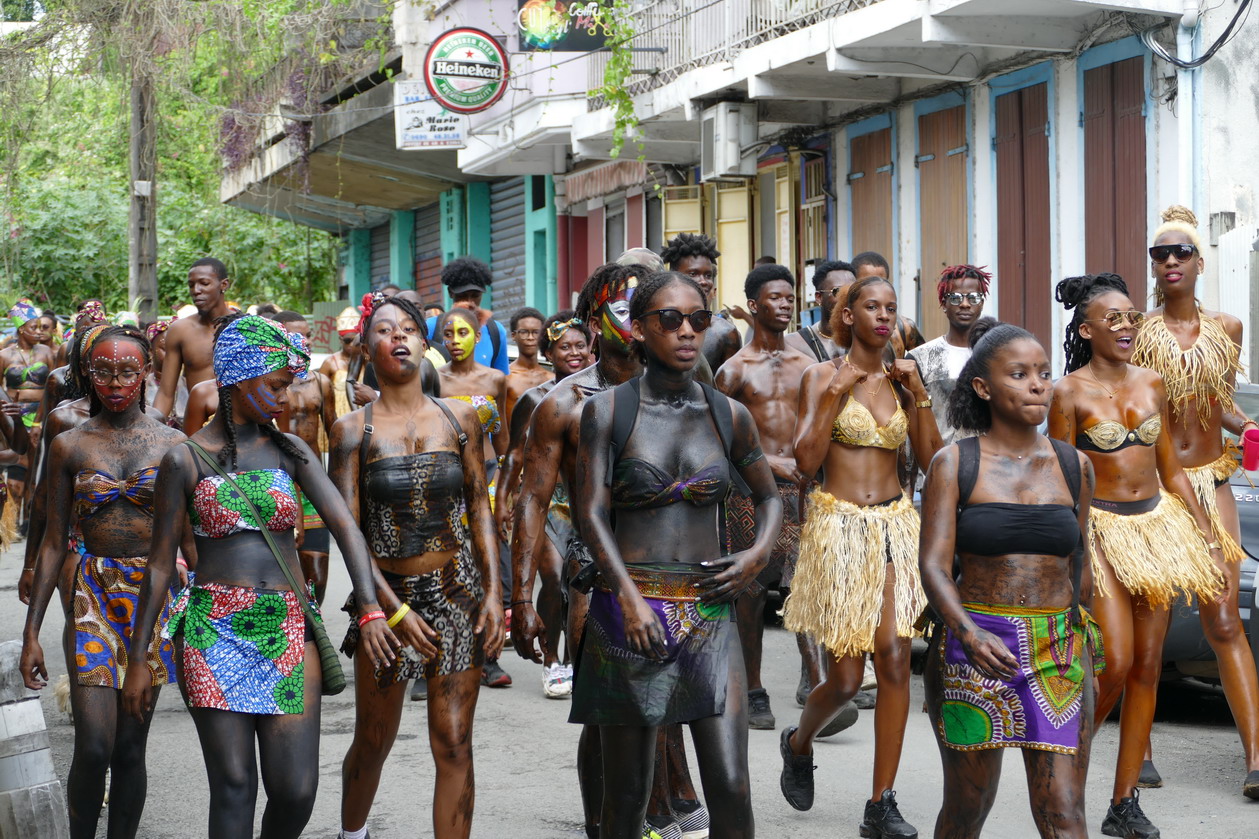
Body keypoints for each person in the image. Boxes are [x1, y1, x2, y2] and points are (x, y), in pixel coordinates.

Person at [121, 314, 399, 839]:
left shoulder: (290, 450)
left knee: (295, 792)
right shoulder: (184, 459)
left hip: (286, 626)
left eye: (288, 385)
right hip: (212, 628)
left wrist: (369, 608)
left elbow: (345, 527)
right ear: (236, 379)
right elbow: (160, 564)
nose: (286, 398)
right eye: (274, 386)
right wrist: (139, 658)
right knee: (233, 786)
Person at [572, 269, 781, 839]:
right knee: (628, 797)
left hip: (710, 610)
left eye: (699, 319)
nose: (687, 331)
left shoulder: (727, 414)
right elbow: (590, 511)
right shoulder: (608, 411)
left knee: (733, 787)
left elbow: (769, 497)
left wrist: (757, 556)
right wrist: (629, 599)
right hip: (630, 610)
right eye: (670, 319)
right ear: (639, 329)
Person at [511, 264, 709, 839]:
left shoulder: (686, 386)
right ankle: (604, 823)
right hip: (596, 575)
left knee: (666, 705)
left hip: (676, 572)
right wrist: (523, 597)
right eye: (624, 309)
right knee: (605, 717)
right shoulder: (564, 403)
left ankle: (662, 803)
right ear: (596, 321)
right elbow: (531, 501)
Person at [1050, 273, 1226, 838]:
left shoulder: (1153, 383)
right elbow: (1061, 478)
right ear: (1086, 329)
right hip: (1099, 529)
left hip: (1156, 527)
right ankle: (1063, 763)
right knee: (1117, 663)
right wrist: (1074, 549)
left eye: (1131, 317)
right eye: (1113, 319)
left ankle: (1123, 802)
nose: (1127, 326)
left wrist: (1206, 532)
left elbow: (1171, 466)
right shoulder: (1067, 392)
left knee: (1150, 667)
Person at [919, 319, 1099, 839]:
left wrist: (1081, 640)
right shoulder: (954, 463)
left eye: (1044, 373)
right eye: (1019, 374)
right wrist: (968, 634)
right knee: (968, 808)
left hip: (1057, 650)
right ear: (983, 387)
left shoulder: (1074, 466)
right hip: (975, 645)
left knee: (1064, 813)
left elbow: (1077, 557)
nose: (1038, 384)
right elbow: (932, 564)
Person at [333, 294, 502, 839]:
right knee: (374, 738)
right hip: (385, 601)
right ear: (367, 347)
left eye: (409, 328)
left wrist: (495, 593)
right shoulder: (351, 432)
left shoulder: (461, 419)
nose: (399, 337)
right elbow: (350, 534)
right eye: (386, 330)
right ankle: (351, 833)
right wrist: (386, 610)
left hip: (458, 592)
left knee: (453, 741)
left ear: (424, 343)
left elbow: (479, 504)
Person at [778, 275, 941, 837]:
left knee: (895, 656)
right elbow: (805, 459)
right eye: (871, 307)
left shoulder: (903, 380)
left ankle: (881, 802)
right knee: (846, 680)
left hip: (896, 524)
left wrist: (917, 391)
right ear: (848, 315)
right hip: (838, 527)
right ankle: (799, 744)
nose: (883, 316)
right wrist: (834, 393)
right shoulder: (821, 375)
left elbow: (933, 459)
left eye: (891, 308)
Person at [19, 325, 187, 839]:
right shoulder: (70, 443)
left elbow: (190, 534)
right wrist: (31, 633)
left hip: (153, 596)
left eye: (127, 372)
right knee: (94, 746)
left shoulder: (174, 444)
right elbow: (51, 541)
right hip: (91, 592)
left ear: (146, 375)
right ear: (88, 374)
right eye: (104, 371)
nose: (116, 382)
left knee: (130, 746)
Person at [1130, 205, 1259, 797]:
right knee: (1149, 629)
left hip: (1211, 479)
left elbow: (1221, 405)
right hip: (1156, 485)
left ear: (1200, 262)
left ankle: (1256, 761)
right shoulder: (1137, 330)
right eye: (1161, 254)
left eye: (1182, 252)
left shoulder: (1228, 329)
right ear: (1153, 266)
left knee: (1225, 618)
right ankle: (1141, 749)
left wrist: (1248, 425)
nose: (1172, 261)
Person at [714, 264, 834, 730]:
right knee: (750, 592)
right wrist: (769, 465)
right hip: (751, 495)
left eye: (790, 297)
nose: (785, 305)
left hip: (804, 491)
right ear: (754, 304)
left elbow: (823, 430)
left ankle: (818, 686)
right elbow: (720, 444)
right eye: (775, 298)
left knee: (806, 586)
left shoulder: (810, 367)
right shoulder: (733, 371)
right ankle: (755, 688)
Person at [494, 310, 591, 697]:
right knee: (553, 576)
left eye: (580, 345)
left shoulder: (601, 394)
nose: (574, 353)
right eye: (565, 346)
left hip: (584, 500)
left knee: (580, 580)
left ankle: (576, 658)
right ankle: (552, 659)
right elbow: (515, 455)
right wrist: (502, 499)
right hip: (546, 500)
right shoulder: (535, 399)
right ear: (550, 352)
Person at [437, 306, 511, 688]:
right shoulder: (433, 380)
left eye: (462, 333)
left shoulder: (496, 379)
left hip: (491, 479)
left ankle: (489, 657)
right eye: (447, 334)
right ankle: (439, 655)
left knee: (487, 564)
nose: (455, 341)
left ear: (478, 337)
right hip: (449, 483)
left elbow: (504, 440)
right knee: (448, 564)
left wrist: (510, 491)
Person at [274, 311, 338, 605]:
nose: (306, 342)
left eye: (309, 335)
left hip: (311, 483)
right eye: (297, 336)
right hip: (279, 484)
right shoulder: (269, 384)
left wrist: (336, 488)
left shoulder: (321, 383)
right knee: (280, 572)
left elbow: (335, 436)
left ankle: (314, 631)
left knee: (318, 576)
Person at [907, 265, 991, 446]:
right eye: (955, 298)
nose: (965, 304)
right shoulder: (921, 359)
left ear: (982, 303)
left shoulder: (995, 354)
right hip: (938, 462)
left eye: (973, 297)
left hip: (989, 465)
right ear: (943, 303)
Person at [152, 257, 235, 422]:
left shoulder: (246, 327)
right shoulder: (180, 330)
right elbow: (166, 394)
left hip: (242, 429)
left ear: (224, 285)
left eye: (204, 283)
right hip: (197, 428)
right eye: (191, 285)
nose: (196, 290)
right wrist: (151, 430)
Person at [661, 233, 742, 373]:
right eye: (693, 274)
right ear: (673, 277)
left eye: (708, 275)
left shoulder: (725, 333)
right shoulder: (657, 326)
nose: (703, 281)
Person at [425, 258, 511, 375]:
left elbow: (503, 379)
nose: (470, 302)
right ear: (451, 293)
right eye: (463, 295)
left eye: (475, 296)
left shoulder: (495, 331)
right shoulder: (431, 327)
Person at [851, 252, 925, 358]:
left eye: (880, 282)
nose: (875, 289)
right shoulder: (838, 330)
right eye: (867, 283)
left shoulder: (904, 327)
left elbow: (925, 366)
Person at [787, 260, 854, 363]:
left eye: (852, 292)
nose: (846, 298)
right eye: (838, 291)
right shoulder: (794, 344)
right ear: (819, 297)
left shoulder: (866, 340)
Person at [505, 307, 552, 431]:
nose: (530, 337)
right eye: (524, 332)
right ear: (514, 336)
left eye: (536, 332)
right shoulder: (505, 378)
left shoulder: (552, 378)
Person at [320, 307, 364, 419]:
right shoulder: (330, 363)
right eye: (347, 341)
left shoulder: (368, 361)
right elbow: (320, 395)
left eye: (355, 341)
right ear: (340, 339)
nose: (351, 345)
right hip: (338, 417)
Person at [145, 317, 188, 428]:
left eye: (177, 350)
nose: (173, 355)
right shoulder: (141, 386)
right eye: (165, 349)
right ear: (150, 352)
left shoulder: (187, 384)